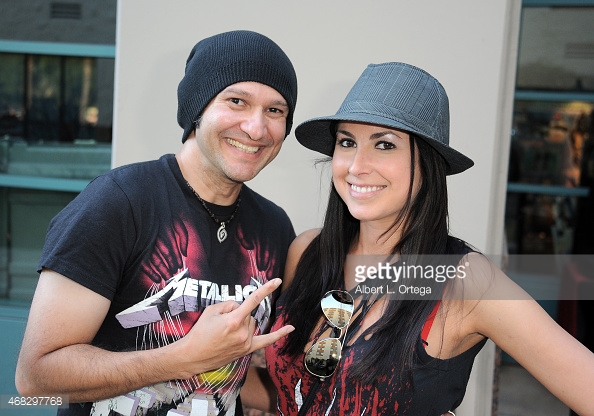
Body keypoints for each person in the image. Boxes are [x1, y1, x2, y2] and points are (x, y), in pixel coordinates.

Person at [241, 62, 594, 415]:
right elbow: (295, 391)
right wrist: (202, 367)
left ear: (428, 163)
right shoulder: (307, 252)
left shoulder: (461, 281)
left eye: (384, 144)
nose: (356, 165)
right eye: (347, 142)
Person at [15, 30, 298, 416]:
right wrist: (183, 357)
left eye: (275, 110)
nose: (256, 128)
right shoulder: (118, 203)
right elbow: (35, 377)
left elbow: (236, 378)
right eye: (237, 101)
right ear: (197, 108)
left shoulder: (274, 227)